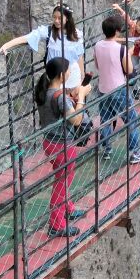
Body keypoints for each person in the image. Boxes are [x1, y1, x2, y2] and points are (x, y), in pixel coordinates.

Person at [35, 56, 92, 237]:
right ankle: (56, 224)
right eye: (67, 70)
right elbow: (76, 120)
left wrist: (72, 97)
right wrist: (81, 97)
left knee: (63, 177)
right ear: (61, 75)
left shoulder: (45, 91)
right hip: (63, 145)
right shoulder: (60, 98)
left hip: (49, 142)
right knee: (62, 182)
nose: (69, 72)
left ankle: (68, 207)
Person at [93, 16, 140, 163]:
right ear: (117, 31)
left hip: (102, 88)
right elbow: (128, 69)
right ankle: (135, 152)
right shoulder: (120, 49)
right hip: (119, 89)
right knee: (131, 119)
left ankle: (106, 149)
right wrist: (127, 55)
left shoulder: (97, 45)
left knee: (106, 120)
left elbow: (97, 66)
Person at [0, 4, 85, 92]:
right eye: (54, 17)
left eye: (60, 18)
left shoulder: (76, 35)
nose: (56, 21)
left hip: (72, 76)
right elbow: (29, 37)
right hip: (55, 78)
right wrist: (7, 45)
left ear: (67, 18)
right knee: (58, 102)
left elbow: (79, 57)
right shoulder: (49, 32)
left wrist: (82, 76)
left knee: (73, 103)